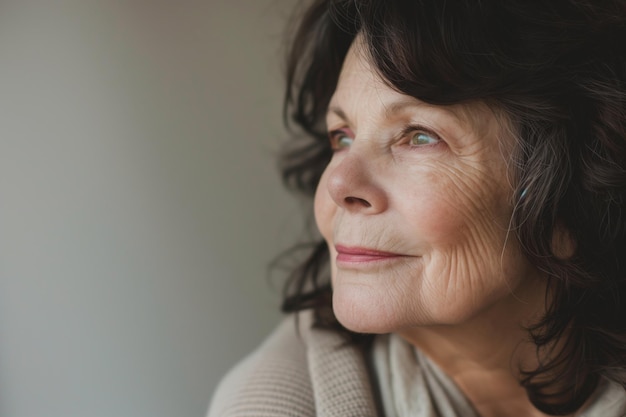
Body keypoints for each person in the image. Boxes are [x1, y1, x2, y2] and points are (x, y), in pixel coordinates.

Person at [208, 0, 626, 416]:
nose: (337, 184)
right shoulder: (269, 404)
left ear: (574, 190)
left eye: (420, 136)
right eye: (342, 137)